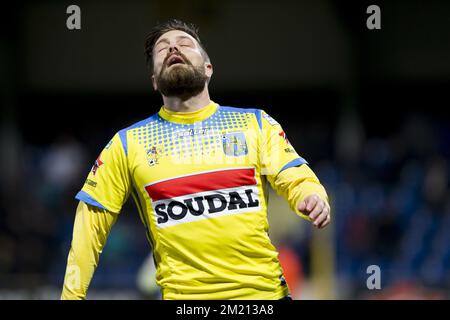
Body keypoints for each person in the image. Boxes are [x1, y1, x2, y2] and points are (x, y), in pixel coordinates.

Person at [61, 19, 331, 300]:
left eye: (185, 43)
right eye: (162, 48)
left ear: (208, 68)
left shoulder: (254, 123)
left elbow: (294, 176)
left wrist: (311, 194)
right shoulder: (127, 145)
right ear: (154, 80)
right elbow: (88, 231)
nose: (173, 47)